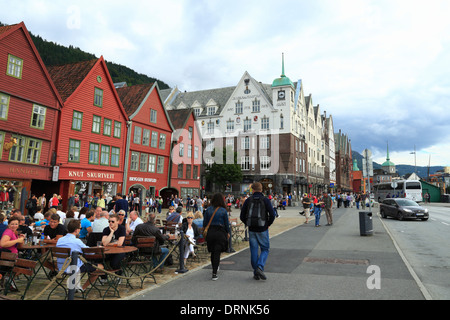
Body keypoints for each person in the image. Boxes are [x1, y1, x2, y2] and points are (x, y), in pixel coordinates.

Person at [240, 182, 275, 281]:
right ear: (261, 190)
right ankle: (260, 267)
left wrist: (248, 223)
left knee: (254, 251)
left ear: (253, 190)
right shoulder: (265, 200)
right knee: (265, 249)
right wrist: (267, 224)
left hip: (252, 229)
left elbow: (242, 215)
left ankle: (256, 272)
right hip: (262, 228)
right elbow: (272, 214)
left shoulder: (248, 200)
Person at [56, 219, 104, 291]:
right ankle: (82, 288)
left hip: (61, 267)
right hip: (74, 267)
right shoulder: (77, 241)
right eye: (80, 228)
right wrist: (97, 248)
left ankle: (76, 287)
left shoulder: (60, 240)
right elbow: (89, 252)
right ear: (76, 230)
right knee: (100, 267)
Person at [203, 193, 231, 281]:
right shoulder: (223, 210)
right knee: (217, 252)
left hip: (210, 232)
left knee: (212, 252)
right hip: (220, 232)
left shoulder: (208, 210)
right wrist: (228, 232)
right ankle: (214, 272)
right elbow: (227, 224)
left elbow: (205, 223)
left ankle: (214, 268)